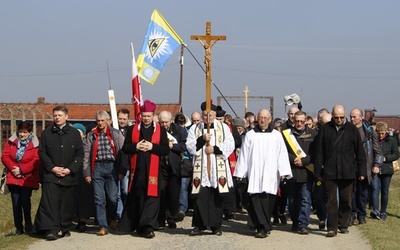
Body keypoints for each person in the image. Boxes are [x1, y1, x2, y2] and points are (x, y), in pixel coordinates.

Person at [234, 109, 292, 238]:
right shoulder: (250, 135)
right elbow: (244, 155)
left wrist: (283, 171)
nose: (263, 120)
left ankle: (264, 225)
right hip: (255, 171)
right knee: (255, 199)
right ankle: (262, 227)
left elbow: (282, 154)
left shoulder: (276, 135)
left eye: (265, 118)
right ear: (257, 118)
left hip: (271, 172)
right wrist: (240, 172)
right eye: (261, 117)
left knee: (268, 200)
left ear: (270, 119)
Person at [118, 100, 170, 238]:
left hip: (154, 171)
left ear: (153, 115)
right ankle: (138, 225)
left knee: (151, 199)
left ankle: (148, 227)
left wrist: (152, 147)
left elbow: (165, 149)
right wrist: (136, 147)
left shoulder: (160, 130)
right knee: (138, 197)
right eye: (144, 116)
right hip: (138, 171)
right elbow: (125, 148)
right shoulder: (133, 129)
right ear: (140, 115)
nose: (146, 118)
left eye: (148, 116)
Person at [314, 104, 367, 237]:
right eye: (336, 117)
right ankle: (332, 227)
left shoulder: (352, 129)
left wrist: (362, 171)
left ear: (345, 116)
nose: (338, 120)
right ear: (332, 116)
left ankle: (343, 224)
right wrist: (318, 172)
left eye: (341, 117)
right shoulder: (325, 129)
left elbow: (360, 152)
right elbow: (319, 152)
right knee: (331, 201)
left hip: (348, 171)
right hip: (330, 172)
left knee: (346, 200)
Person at [34, 105, 84, 240]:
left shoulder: (74, 134)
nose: (57, 118)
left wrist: (70, 169)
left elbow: (80, 154)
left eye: (60, 115)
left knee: (67, 203)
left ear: (66, 117)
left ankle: (65, 226)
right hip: (51, 175)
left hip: (69, 175)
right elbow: (42, 153)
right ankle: (52, 229)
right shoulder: (46, 133)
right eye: (55, 115)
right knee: (51, 203)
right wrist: (52, 168)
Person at [186, 101, 235, 236]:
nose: (208, 117)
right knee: (200, 196)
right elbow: (190, 146)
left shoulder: (223, 127)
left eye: (211, 115)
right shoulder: (195, 128)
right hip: (201, 167)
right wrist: (202, 139)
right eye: (205, 115)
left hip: (217, 165)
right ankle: (199, 225)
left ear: (214, 114)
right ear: (202, 115)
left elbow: (230, 144)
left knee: (216, 196)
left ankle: (216, 226)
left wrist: (215, 149)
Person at [83, 110, 125, 236]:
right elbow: (86, 154)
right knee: (98, 198)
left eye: (102, 121)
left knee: (112, 198)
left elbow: (123, 153)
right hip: (97, 167)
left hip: (112, 166)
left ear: (108, 121)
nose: (100, 123)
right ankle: (102, 225)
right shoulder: (91, 135)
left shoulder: (116, 134)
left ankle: (113, 217)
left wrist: (122, 170)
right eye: (98, 121)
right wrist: (86, 173)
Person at [1, 121, 41, 235]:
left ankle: (28, 224)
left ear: (30, 132)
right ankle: (18, 227)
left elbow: (36, 160)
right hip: (13, 176)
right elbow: (5, 156)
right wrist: (13, 169)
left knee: (25, 200)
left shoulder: (35, 144)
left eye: (25, 132)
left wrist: (22, 170)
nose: (22, 135)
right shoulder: (12, 141)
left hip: (27, 177)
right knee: (16, 203)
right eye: (20, 132)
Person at [282, 111, 317, 234]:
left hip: (306, 172)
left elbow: (315, 152)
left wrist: (304, 161)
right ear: (293, 120)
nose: (299, 123)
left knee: (305, 199)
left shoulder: (313, 134)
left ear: (306, 121)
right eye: (297, 121)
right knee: (292, 201)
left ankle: (303, 224)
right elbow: (282, 151)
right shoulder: (286, 134)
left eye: (302, 121)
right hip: (291, 171)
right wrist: (294, 160)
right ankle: (295, 222)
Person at [349, 108, 383, 225]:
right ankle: (352, 214)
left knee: (363, 194)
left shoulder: (369, 132)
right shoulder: (347, 130)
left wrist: (377, 165)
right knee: (351, 193)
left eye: (354, 117)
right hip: (351, 167)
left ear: (361, 117)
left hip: (365, 166)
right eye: (351, 117)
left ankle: (361, 215)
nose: (352, 119)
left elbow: (378, 151)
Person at [157, 111, 188, 229]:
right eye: (162, 122)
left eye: (166, 122)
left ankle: (171, 218)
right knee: (160, 193)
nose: (164, 124)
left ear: (171, 120)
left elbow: (185, 146)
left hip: (174, 166)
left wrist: (172, 146)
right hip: (160, 166)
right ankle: (160, 219)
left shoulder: (179, 130)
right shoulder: (157, 131)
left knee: (173, 194)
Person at [370, 122, 400, 221]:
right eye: (379, 133)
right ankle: (375, 210)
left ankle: (383, 211)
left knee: (384, 191)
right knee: (375, 189)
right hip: (375, 169)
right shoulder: (373, 140)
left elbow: (396, 154)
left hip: (387, 169)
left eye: (383, 133)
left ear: (386, 132)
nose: (381, 135)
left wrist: (386, 158)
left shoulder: (391, 141)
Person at [73, 123, 95, 232]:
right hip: (72, 173)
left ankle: (82, 220)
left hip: (83, 173)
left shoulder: (86, 144)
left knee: (84, 198)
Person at [116, 108, 131, 221]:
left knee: (125, 190)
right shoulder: (113, 130)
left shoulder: (130, 131)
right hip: (115, 164)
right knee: (116, 193)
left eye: (124, 119)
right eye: (120, 118)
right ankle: (119, 214)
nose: (122, 121)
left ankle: (126, 212)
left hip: (127, 165)